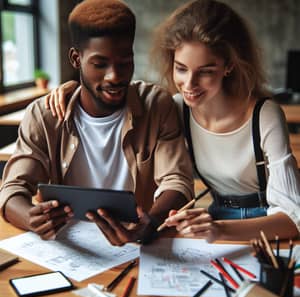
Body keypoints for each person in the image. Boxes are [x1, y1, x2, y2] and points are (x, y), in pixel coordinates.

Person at [46, 0, 300, 243]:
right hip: (214, 217)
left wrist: (219, 229)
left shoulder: (264, 115)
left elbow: (292, 220)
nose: (189, 85)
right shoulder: (178, 108)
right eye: (181, 68)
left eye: (206, 71)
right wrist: (76, 89)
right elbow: (126, 95)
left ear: (229, 66)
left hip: (266, 226)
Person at [0, 0, 194, 246]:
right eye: (100, 64)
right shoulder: (44, 115)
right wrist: (30, 218)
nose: (114, 76)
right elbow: (12, 189)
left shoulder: (156, 106)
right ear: (76, 59)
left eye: (124, 63)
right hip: (69, 249)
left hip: (134, 246)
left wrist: (152, 222)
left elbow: (177, 181)